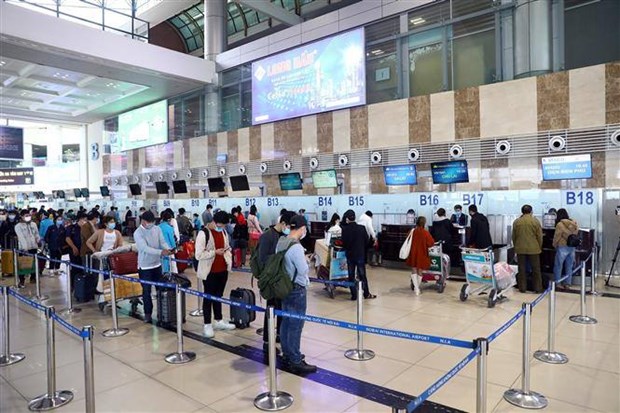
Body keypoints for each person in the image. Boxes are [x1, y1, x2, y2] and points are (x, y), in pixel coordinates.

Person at [276, 215, 317, 374]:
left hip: (284, 286)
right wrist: (306, 260)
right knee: (296, 325)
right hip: (296, 289)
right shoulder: (296, 247)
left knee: (286, 322)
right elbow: (303, 270)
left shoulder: (282, 241)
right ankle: (295, 359)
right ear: (302, 228)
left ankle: (287, 353)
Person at [257, 211, 295, 352]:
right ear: (283, 223)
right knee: (271, 308)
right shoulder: (267, 236)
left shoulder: (285, 236)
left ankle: (279, 334)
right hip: (271, 280)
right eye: (289, 227)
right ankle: (267, 340)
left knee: (281, 308)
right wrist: (279, 258)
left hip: (282, 279)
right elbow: (262, 258)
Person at [195, 211, 236, 337]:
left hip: (222, 270)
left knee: (218, 296)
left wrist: (227, 251)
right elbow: (198, 255)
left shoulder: (223, 232)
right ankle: (207, 324)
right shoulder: (204, 233)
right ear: (213, 221)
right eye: (220, 225)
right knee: (208, 297)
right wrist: (214, 252)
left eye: (224, 226)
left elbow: (227, 246)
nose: (221, 228)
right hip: (210, 272)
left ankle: (218, 320)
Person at [134, 211, 173, 324]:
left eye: (152, 222)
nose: (151, 224)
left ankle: (162, 313)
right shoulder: (138, 233)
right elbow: (144, 248)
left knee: (160, 289)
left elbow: (162, 242)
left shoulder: (157, 229)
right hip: (145, 267)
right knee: (146, 291)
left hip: (157, 265)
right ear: (143, 221)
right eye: (149, 222)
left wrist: (168, 249)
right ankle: (148, 314)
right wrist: (161, 252)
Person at [341, 210, 376, 300]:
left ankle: (354, 295)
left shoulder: (345, 229)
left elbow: (344, 243)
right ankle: (366, 293)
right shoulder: (361, 228)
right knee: (362, 275)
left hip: (350, 255)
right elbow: (366, 241)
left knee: (351, 275)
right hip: (360, 255)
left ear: (347, 219)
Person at [512, 205, 543, 293]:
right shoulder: (535, 221)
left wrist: (516, 246)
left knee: (521, 269)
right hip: (534, 249)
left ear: (522, 211)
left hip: (520, 248)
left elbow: (514, 236)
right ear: (531, 211)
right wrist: (539, 246)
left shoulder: (517, 222)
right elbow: (539, 236)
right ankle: (538, 288)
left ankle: (522, 288)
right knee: (536, 269)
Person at [405, 216, 435, 295]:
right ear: (424, 223)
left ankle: (416, 288)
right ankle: (417, 288)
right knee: (420, 270)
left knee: (414, 269)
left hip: (413, 252)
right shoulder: (425, 232)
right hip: (422, 253)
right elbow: (431, 243)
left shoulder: (412, 231)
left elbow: (407, 239)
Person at [552, 209, 579, 291]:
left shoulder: (560, 224)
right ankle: (567, 283)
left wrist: (554, 244)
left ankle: (557, 283)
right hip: (571, 247)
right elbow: (576, 233)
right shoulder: (574, 223)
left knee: (558, 266)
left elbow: (557, 236)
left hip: (562, 246)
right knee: (569, 266)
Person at [14, 209, 40, 287]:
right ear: (22, 217)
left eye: (29, 215)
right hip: (23, 249)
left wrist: (38, 240)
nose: (28, 217)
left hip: (33, 247)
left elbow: (36, 234)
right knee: (23, 265)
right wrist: (25, 249)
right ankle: (22, 280)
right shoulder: (18, 226)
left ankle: (33, 278)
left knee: (34, 264)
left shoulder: (33, 224)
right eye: (26, 216)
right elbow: (21, 238)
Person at [65, 212, 86, 290]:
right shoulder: (72, 228)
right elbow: (67, 238)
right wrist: (74, 247)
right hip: (74, 251)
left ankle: (83, 286)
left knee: (84, 269)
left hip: (84, 252)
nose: (86, 221)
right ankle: (73, 285)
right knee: (75, 268)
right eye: (85, 220)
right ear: (80, 219)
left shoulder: (86, 228)